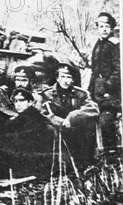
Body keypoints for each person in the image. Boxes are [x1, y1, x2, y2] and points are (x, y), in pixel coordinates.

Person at [40, 63, 100, 166]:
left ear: (72, 79)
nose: (66, 80)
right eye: (62, 77)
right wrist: (60, 121)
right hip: (56, 127)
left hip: (75, 127)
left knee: (90, 124)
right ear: (57, 78)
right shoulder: (46, 94)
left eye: (69, 77)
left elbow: (93, 108)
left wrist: (72, 117)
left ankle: (87, 163)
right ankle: (56, 165)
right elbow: (41, 112)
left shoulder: (81, 94)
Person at [88, 12, 121, 152]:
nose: (104, 29)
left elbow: (118, 70)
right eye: (101, 26)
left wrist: (107, 87)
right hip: (97, 90)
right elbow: (94, 70)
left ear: (112, 28)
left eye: (107, 26)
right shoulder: (97, 44)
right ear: (97, 28)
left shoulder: (115, 45)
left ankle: (111, 154)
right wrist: (90, 90)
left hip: (111, 93)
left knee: (105, 120)